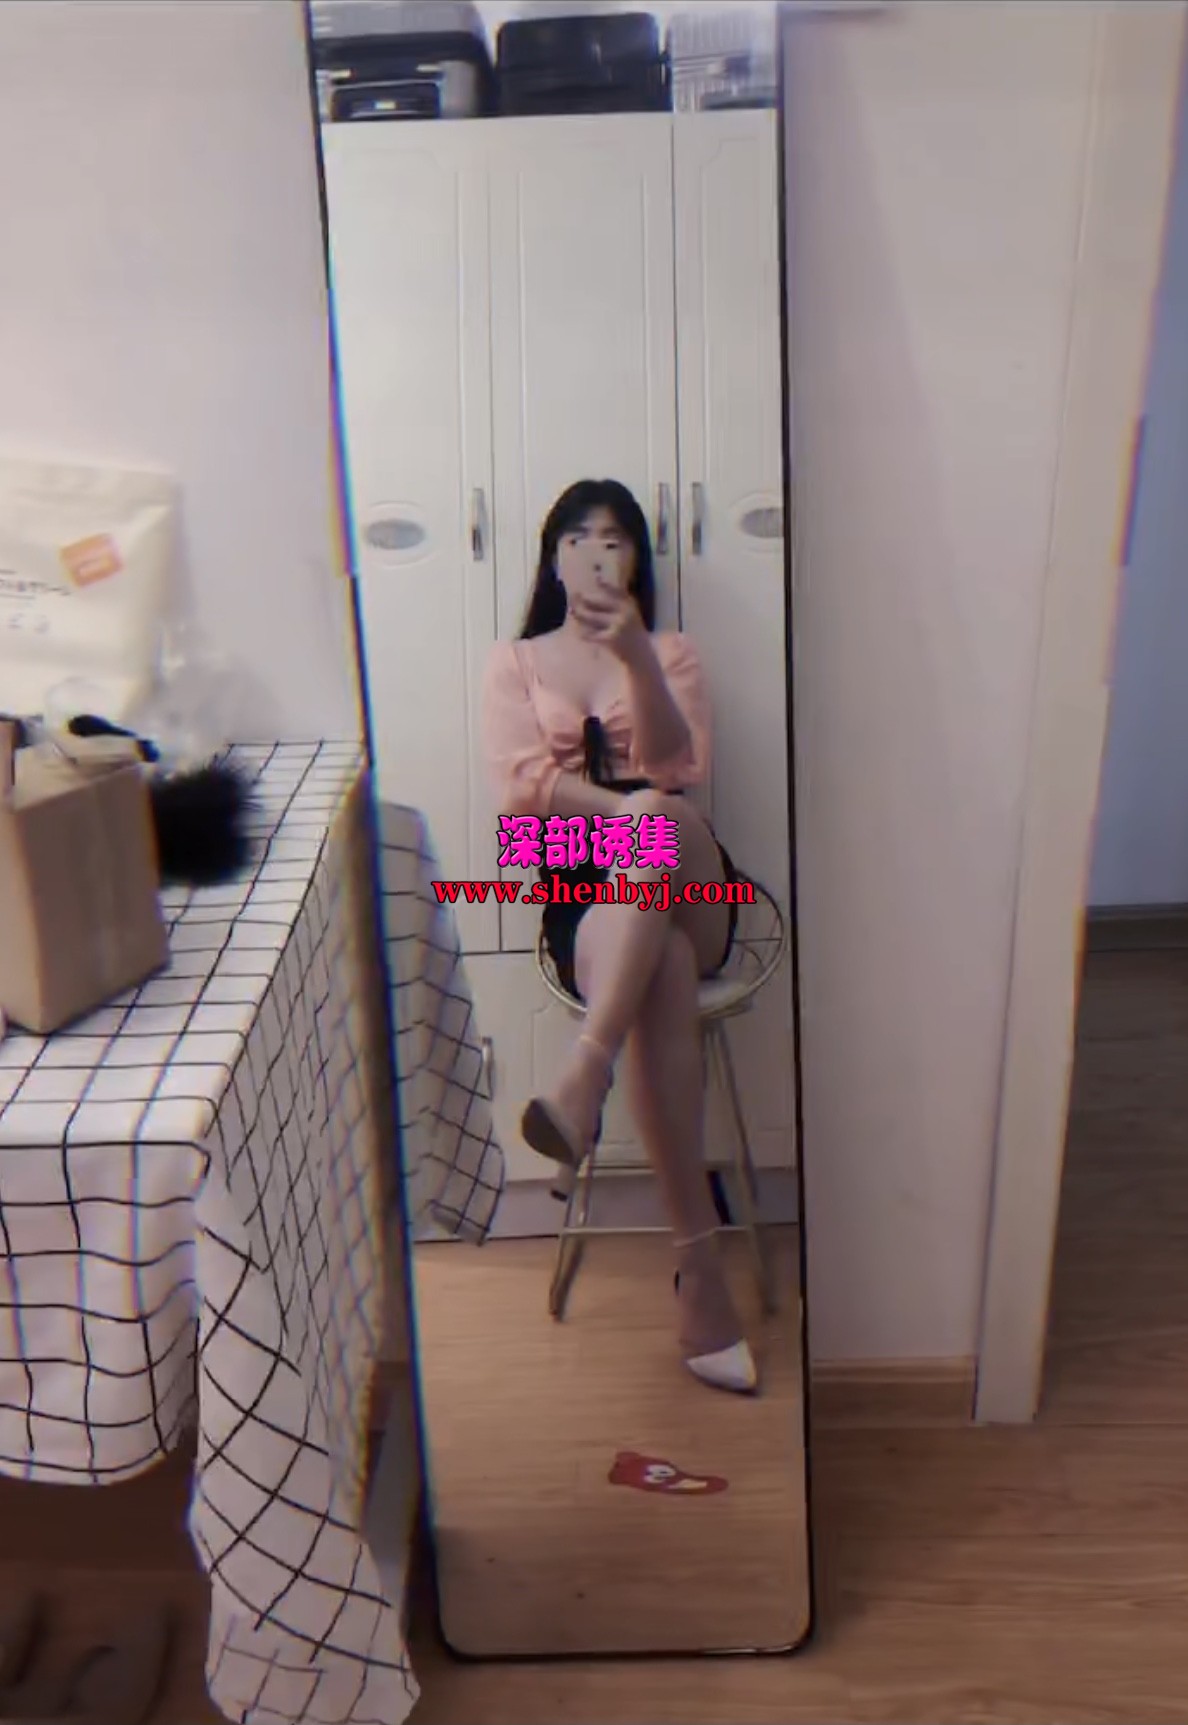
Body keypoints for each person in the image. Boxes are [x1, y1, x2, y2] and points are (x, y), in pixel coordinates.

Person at [481, 478, 757, 1396]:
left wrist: (636, 655)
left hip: (692, 877)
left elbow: (680, 768)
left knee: (662, 820)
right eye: (575, 536)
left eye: (613, 538)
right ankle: (700, 1274)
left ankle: (586, 1069)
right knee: (661, 965)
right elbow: (520, 796)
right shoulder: (516, 661)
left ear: (637, 558)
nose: (594, 552)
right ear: (551, 557)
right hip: (583, 891)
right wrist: (621, 811)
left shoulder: (673, 652)